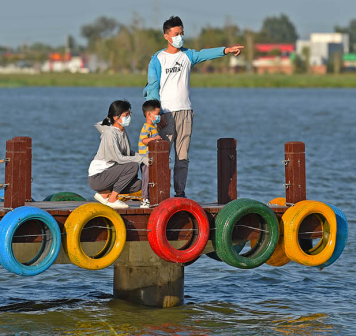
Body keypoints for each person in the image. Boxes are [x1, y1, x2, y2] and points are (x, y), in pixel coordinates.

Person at [143, 15, 243, 197]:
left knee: (182, 158)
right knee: (161, 155)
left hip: (186, 113)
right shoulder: (158, 59)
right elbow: (152, 88)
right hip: (166, 114)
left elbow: (205, 54)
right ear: (166, 36)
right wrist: (158, 114)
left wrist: (226, 50)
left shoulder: (188, 55)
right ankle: (157, 192)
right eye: (176, 33)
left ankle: (180, 192)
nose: (180, 37)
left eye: (182, 33)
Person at [88, 100, 148, 209]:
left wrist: (144, 157)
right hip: (98, 177)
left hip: (111, 174)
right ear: (116, 117)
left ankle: (105, 194)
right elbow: (119, 159)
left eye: (129, 114)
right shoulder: (110, 134)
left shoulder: (122, 132)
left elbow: (128, 153)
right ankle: (112, 199)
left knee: (138, 184)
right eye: (126, 115)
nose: (129, 117)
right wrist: (140, 160)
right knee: (133, 166)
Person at [137, 99, 163, 208]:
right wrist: (154, 138)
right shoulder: (146, 127)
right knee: (146, 178)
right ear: (149, 114)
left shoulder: (153, 127)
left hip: (151, 158)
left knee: (152, 178)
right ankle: (145, 199)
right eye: (157, 114)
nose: (159, 117)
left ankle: (151, 198)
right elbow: (144, 140)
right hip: (146, 158)